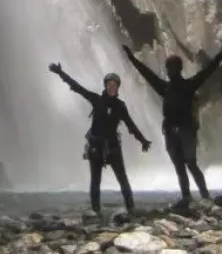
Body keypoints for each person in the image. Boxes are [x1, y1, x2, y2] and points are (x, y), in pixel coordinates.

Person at [122, 36, 222, 206]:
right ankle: (188, 197)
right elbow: (147, 74)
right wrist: (131, 59)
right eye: (168, 67)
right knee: (181, 166)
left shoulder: (188, 85)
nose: (169, 70)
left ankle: (203, 196)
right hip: (171, 132)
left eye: (171, 67)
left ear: (178, 69)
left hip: (185, 130)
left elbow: (209, 70)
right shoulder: (165, 87)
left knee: (190, 163)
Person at [48, 63, 152, 215]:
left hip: (113, 146)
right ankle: (96, 210)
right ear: (105, 86)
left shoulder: (120, 106)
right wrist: (60, 73)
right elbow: (77, 87)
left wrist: (142, 140)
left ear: (117, 88)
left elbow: (130, 125)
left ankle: (131, 208)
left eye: (115, 85)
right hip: (96, 146)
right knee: (95, 181)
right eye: (109, 84)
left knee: (122, 178)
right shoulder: (96, 99)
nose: (112, 87)